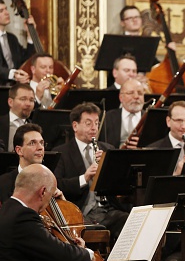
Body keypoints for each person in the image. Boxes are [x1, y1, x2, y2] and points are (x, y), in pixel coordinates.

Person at [0, 164, 94, 261]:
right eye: (50, 197)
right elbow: (56, 250)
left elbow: (42, 256)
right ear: (43, 192)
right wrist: (86, 253)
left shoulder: (6, 210)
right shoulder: (23, 217)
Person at [53, 103, 128, 242]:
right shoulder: (62, 152)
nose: (94, 128)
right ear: (75, 126)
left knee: (130, 222)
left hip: (108, 209)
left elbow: (121, 182)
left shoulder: (107, 148)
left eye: (96, 123)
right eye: (88, 123)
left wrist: (108, 168)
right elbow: (58, 184)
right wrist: (85, 177)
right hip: (80, 211)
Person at [0, 123, 66, 204]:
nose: (40, 147)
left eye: (42, 143)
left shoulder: (49, 182)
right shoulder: (3, 183)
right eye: (32, 143)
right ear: (19, 150)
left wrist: (63, 204)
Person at [0, 0, 35, 85]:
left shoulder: (12, 38)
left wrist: (30, 34)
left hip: (14, 88)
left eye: (6, 9)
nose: (7, 13)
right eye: (1, 11)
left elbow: (25, 60)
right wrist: (13, 74)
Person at [102, 78, 144, 148]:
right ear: (121, 97)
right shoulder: (107, 117)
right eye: (130, 93)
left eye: (140, 93)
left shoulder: (151, 118)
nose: (136, 96)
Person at [0, 83, 35, 151]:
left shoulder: (35, 127)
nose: (28, 104)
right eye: (23, 99)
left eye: (31, 100)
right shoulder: (1, 122)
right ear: (10, 102)